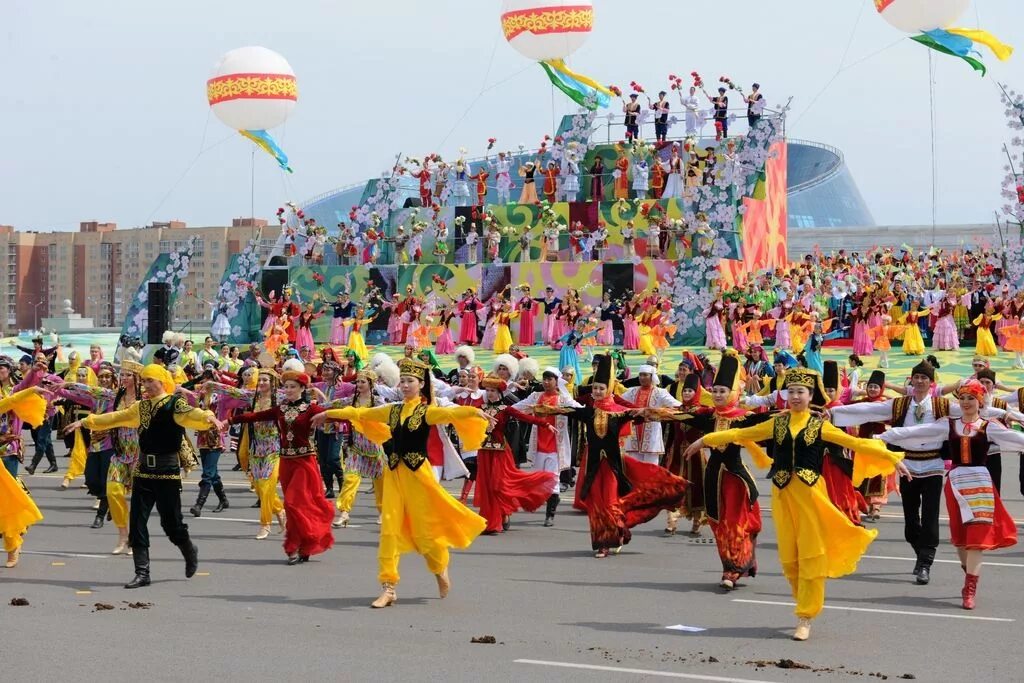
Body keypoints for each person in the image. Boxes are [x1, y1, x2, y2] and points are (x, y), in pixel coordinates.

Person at [685, 367, 906, 641]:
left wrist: (892, 458)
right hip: (783, 495)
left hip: (811, 496)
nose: (796, 396)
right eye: (791, 392)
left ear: (810, 395)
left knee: (811, 554)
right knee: (790, 558)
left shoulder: (818, 425)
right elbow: (743, 434)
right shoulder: (777, 423)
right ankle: (801, 602)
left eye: (801, 392)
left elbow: (854, 442)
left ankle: (805, 616)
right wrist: (705, 439)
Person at [315, 358, 489, 608]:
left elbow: (452, 413)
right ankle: (389, 587)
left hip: (419, 476)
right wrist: (329, 414)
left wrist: (475, 411)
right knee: (390, 529)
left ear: (421, 384)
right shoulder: (393, 409)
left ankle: (440, 568)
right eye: (403, 381)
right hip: (395, 475)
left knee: (425, 530)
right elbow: (361, 413)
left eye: (411, 381)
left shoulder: (427, 411)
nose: (405, 385)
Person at [68, 364, 221, 589]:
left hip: (166, 473)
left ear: (162, 381)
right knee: (137, 521)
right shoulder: (140, 407)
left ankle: (188, 548)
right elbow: (115, 417)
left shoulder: (174, 404)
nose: (146, 384)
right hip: (143, 471)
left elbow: (194, 414)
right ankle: (142, 572)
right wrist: (86, 421)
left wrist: (209, 418)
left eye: (151, 380)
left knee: (171, 524)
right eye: (145, 380)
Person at [880, 380, 1023, 610]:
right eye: (963, 398)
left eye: (971, 398)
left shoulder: (989, 426)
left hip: (981, 483)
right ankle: (970, 571)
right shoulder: (948, 424)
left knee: (976, 539)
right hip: (956, 483)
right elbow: (917, 431)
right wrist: (885, 437)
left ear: (980, 402)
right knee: (961, 538)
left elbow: (1017, 440)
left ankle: (970, 588)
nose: (966, 402)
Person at [557, 354, 688, 557]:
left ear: (609, 389)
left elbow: (643, 414)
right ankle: (604, 541)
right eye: (595, 388)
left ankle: (612, 537)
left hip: (612, 465)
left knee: (609, 501)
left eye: (601, 388)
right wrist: (538, 408)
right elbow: (566, 409)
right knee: (596, 504)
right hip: (592, 465)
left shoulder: (618, 412)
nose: (597, 391)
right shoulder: (589, 411)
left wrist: (660, 412)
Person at [675, 352, 771, 588]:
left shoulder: (742, 418)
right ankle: (731, 565)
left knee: (734, 522)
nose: (718, 395)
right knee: (719, 523)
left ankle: (733, 570)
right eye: (715, 391)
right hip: (713, 476)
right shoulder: (707, 417)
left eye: (722, 391)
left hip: (735, 478)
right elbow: (679, 415)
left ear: (732, 394)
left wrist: (793, 413)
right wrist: (649, 413)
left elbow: (767, 420)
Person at [230, 367, 335, 565]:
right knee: (295, 505)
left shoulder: (311, 409)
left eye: (292, 387)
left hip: (305, 462)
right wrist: (230, 420)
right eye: (286, 387)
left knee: (295, 503)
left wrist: (356, 415)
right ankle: (305, 545)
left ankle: (294, 546)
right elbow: (255, 416)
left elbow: (335, 415)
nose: (288, 390)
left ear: (302, 388)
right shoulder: (281, 408)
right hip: (286, 462)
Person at [206, 369, 287, 540]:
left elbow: (303, 395)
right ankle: (280, 510)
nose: (262, 383)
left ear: (273, 382)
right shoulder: (253, 396)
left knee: (267, 486)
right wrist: (213, 385)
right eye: (261, 379)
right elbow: (234, 391)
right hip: (256, 447)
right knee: (259, 488)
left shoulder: (281, 397)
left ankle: (265, 524)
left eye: (266, 380)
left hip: (274, 448)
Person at [474, 376, 558, 534]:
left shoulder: (505, 409)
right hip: (485, 452)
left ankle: (502, 515)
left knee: (499, 485)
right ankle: (492, 520)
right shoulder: (480, 408)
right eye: (488, 390)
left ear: (499, 393)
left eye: (493, 391)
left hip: (500, 452)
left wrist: (545, 424)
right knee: (487, 487)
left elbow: (525, 417)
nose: (490, 393)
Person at [511, 368, 581, 527]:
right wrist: (503, 410)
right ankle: (547, 502)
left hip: (556, 447)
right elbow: (518, 407)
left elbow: (579, 409)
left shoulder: (563, 399)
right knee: (538, 480)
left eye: (550, 379)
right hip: (538, 446)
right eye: (545, 379)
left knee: (552, 479)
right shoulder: (536, 396)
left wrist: (562, 411)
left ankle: (550, 515)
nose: (546, 382)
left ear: (557, 381)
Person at [333, 369, 386, 529]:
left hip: (376, 448)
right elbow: (332, 405)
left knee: (381, 484)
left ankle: (384, 512)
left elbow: (390, 415)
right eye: (358, 382)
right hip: (357, 448)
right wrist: (312, 408)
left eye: (363, 382)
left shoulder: (378, 402)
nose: (359, 384)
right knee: (350, 479)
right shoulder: (351, 400)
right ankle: (344, 512)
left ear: (371, 384)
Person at [621, 365, 682, 465]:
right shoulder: (631, 391)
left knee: (651, 468)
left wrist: (656, 412)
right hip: (633, 436)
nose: (642, 378)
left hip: (652, 436)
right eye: (640, 375)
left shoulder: (660, 392)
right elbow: (617, 403)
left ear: (652, 376)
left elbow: (677, 406)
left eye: (645, 375)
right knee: (634, 469)